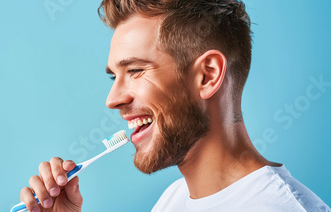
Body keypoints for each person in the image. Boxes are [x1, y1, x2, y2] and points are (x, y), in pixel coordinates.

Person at [17, 0, 331, 211]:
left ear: (207, 76)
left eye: (136, 70)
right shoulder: (174, 200)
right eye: (115, 76)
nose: (112, 100)